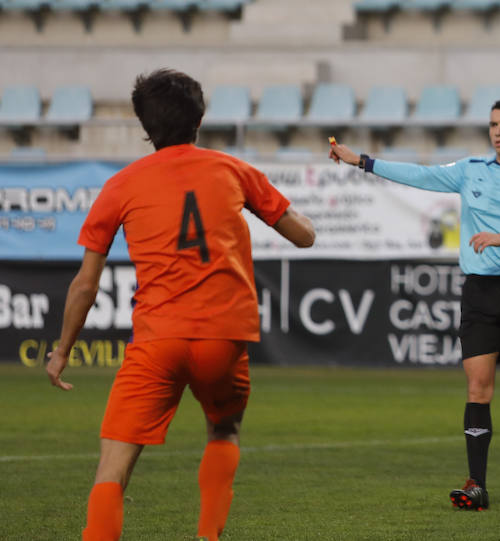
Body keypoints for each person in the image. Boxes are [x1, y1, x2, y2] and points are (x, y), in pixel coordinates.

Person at [45, 68, 316, 541]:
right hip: (224, 338)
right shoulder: (234, 170)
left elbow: (85, 284)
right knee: (224, 429)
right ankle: (208, 535)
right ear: (200, 117)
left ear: (146, 129)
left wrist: (63, 349)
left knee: (113, 463)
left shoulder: (120, 185)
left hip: (158, 340)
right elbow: (304, 235)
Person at [329, 98, 500, 510]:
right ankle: (476, 485)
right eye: (493, 124)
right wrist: (362, 161)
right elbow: (419, 174)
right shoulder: (470, 170)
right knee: (477, 387)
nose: (498, 131)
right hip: (480, 293)